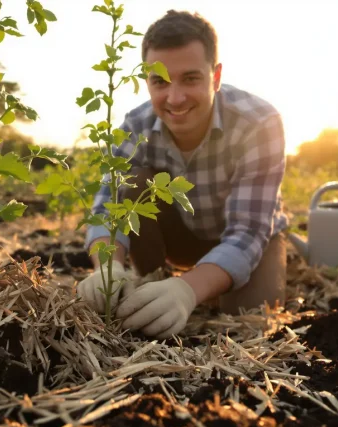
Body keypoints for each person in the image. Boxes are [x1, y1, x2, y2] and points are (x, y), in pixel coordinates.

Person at [77, 10, 289, 340]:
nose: (174, 99)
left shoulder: (258, 123)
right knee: (133, 184)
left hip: (247, 236)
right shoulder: (136, 126)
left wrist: (188, 290)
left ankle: (182, 291)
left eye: (190, 79)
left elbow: (248, 231)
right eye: (159, 81)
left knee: (248, 317)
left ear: (215, 77)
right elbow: (107, 207)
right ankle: (152, 281)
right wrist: (108, 267)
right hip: (180, 236)